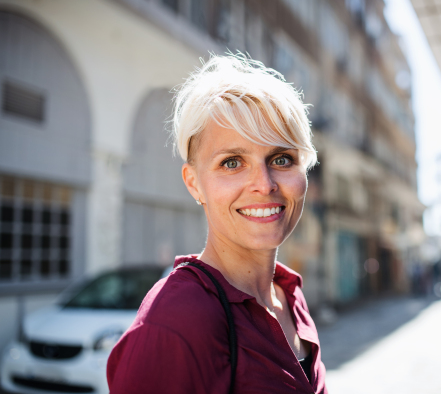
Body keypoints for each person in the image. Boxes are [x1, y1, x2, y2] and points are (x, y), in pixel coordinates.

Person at [107, 54, 327, 394]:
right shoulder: (176, 319)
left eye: (282, 159)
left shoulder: (290, 297)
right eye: (232, 162)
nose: (264, 184)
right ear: (194, 183)